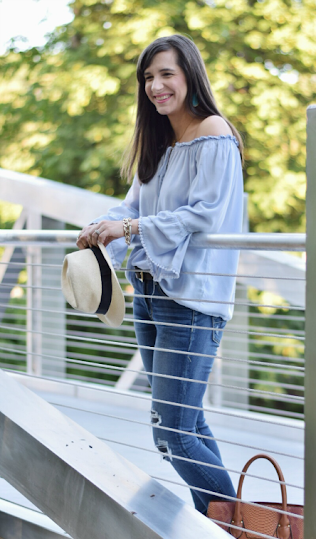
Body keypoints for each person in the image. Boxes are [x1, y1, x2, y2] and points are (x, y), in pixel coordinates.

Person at [76, 34, 244, 514]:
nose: (155, 85)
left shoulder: (213, 132)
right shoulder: (160, 140)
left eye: (166, 73)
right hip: (150, 292)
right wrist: (101, 224)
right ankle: (230, 531)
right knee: (185, 426)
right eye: (148, 77)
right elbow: (131, 205)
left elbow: (204, 214)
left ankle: (243, 535)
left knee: (170, 432)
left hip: (191, 300)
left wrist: (127, 227)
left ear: (190, 75)